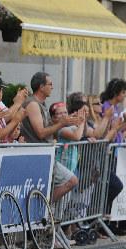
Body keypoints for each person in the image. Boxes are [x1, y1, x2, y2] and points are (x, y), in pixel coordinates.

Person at [20, 72, 80, 202]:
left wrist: (66, 121)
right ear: (41, 87)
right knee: (72, 180)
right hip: (37, 155)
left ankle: (43, 208)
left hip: (45, 154)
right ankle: (45, 207)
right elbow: (40, 132)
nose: (52, 87)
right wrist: (61, 124)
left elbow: (46, 127)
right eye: (50, 84)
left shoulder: (41, 104)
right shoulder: (33, 104)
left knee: (63, 182)